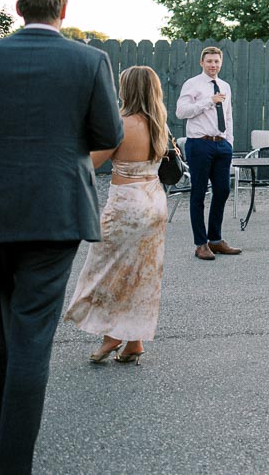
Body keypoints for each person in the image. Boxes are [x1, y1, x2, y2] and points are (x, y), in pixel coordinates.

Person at [0, 0, 124, 474]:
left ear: (18, 8)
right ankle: (13, 460)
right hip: (56, 210)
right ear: (63, 9)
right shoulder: (90, 61)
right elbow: (108, 132)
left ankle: (7, 436)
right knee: (32, 336)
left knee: (0, 323)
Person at [63, 66, 170, 365]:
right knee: (139, 274)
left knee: (106, 271)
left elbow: (89, 164)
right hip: (154, 204)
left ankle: (111, 335)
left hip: (127, 207)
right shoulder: (159, 124)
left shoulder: (120, 125)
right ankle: (134, 342)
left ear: (128, 90)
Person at [176, 46, 239, 261]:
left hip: (221, 145)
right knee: (199, 193)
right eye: (209, 61)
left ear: (221, 63)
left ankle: (215, 239)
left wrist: (229, 142)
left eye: (217, 61)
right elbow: (181, 111)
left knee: (222, 190)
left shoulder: (225, 86)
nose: (213, 65)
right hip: (199, 144)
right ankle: (200, 244)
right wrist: (208, 102)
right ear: (202, 63)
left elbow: (228, 116)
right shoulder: (192, 84)